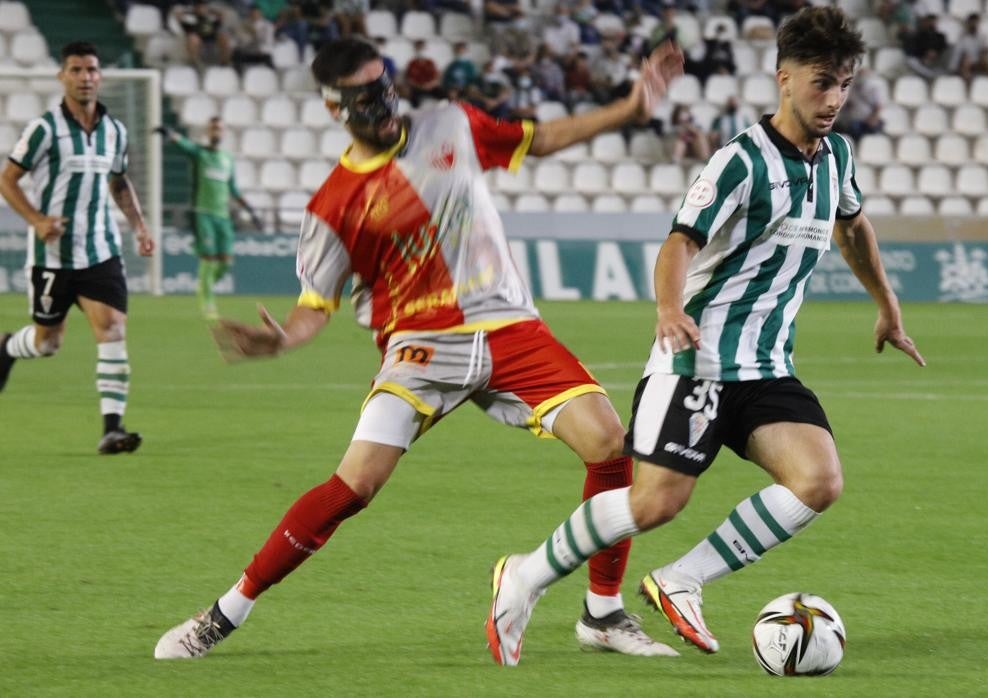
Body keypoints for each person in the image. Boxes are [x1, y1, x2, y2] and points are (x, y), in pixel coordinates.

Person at [153, 36, 687, 661]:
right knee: (353, 487)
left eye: (385, 86)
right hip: (421, 346)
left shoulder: (451, 124)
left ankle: (602, 612)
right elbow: (312, 307)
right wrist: (280, 340)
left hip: (510, 327)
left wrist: (629, 108)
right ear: (333, 108)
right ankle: (224, 612)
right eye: (363, 96)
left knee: (608, 444)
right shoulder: (333, 207)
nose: (382, 102)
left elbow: (535, 139)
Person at [485, 6, 925, 666]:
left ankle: (681, 580)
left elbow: (853, 227)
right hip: (697, 360)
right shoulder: (739, 162)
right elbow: (677, 244)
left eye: (844, 84)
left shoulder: (837, 157)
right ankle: (524, 575)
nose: (833, 99)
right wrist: (668, 309)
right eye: (821, 82)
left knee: (819, 480)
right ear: (784, 78)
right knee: (656, 501)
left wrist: (887, 306)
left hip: (766, 366)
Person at [0, 41, 155, 453]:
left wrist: (139, 226)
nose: (85, 77)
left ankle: (112, 428)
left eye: (91, 70)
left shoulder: (115, 131)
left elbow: (119, 183)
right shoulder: (44, 129)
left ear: (100, 76)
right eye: (76, 70)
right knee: (46, 343)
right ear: (62, 76)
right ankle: (7, 347)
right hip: (54, 255)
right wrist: (36, 220)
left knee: (113, 329)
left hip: (102, 250)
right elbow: (7, 179)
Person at [155, 117, 262, 319]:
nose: (217, 131)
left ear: (224, 133)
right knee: (209, 259)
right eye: (213, 128)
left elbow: (233, 189)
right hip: (203, 213)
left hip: (223, 217)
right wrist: (170, 134)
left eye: (220, 128)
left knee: (226, 263)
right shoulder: (200, 153)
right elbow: (184, 145)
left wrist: (252, 211)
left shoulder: (227, 159)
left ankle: (205, 286)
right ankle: (208, 303)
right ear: (208, 131)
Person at [832, 65, 886, 142]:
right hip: (852, 120)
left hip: (866, 122)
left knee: (856, 128)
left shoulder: (873, 90)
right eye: (859, 74)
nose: (861, 77)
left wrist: (872, 119)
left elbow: (878, 107)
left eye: (863, 75)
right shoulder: (851, 89)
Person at [947, 13, 988, 81]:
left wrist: (984, 54)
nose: (974, 24)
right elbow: (957, 53)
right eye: (972, 22)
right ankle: (967, 85)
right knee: (966, 60)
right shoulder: (963, 37)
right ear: (968, 23)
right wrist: (953, 68)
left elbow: (984, 50)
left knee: (987, 59)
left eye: (975, 22)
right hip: (966, 62)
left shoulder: (982, 37)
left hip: (978, 61)